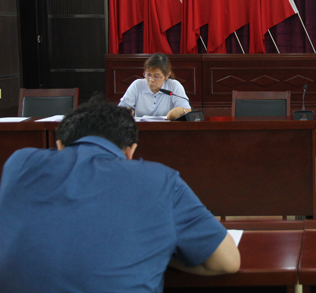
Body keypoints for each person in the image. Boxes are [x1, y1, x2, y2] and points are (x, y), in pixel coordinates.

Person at [0, 101, 240, 292]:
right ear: (130, 151)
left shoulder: (19, 163)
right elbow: (227, 261)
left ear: (60, 145)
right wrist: (157, 249)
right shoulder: (159, 179)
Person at [119, 53, 191, 120]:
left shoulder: (174, 86)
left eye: (156, 76)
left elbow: (188, 111)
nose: (151, 80)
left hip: (167, 127)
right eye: (148, 75)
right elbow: (122, 109)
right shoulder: (137, 85)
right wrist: (127, 111)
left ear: (167, 75)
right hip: (140, 127)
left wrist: (181, 110)